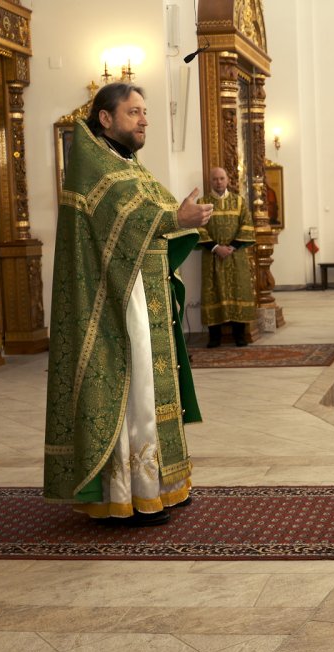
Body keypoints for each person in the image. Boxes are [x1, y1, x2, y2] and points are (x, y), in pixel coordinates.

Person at [44, 82, 212, 526]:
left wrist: (179, 219)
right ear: (106, 118)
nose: (144, 120)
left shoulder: (126, 163)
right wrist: (176, 217)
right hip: (114, 301)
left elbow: (152, 211)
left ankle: (160, 485)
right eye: (134, 112)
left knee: (152, 390)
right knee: (132, 387)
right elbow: (124, 216)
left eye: (144, 112)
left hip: (143, 291)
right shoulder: (92, 164)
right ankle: (126, 494)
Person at [199, 166, 256, 347]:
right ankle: (214, 337)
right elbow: (198, 228)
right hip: (212, 257)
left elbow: (247, 225)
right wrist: (216, 247)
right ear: (211, 181)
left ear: (228, 180)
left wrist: (231, 247)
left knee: (238, 291)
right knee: (213, 292)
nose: (219, 182)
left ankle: (240, 335)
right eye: (215, 179)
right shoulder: (203, 202)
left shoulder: (239, 202)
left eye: (222, 178)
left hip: (235, 256)